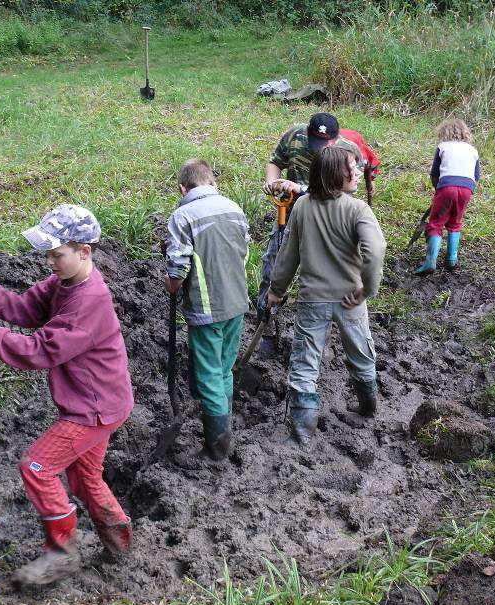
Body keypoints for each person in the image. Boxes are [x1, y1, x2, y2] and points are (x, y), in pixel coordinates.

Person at [0, 204, 133, 587]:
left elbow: (41, 350)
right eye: (48, 254)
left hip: (93, 408)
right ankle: (120, 544)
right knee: (85, 477)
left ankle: (62, 554)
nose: (50, 261)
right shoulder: (63, 283)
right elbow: (27, 307)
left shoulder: (89, 301)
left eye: (57, 254)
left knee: (37, 467)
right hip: (101, 401)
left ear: (84, 251)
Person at [267, 146, 387, 443]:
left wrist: (276, 290)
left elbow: (288, 255)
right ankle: (368, 407)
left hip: (312, 299)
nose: (358, 172)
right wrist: (366, 290)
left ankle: (302, 431)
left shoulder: (303, 206)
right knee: (360, 353)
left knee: (305, 363)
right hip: (350, 299)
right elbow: (376, 251)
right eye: (352, 167)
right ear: (336, 175)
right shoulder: (358, 209)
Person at [256, 112, 380, 356]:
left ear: (335, 138)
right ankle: (267, 328)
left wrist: (301, 189)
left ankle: (327, 332)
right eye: (316, 142)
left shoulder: (349, 154)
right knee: (273, 268)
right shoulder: (294, 136)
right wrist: (272, 183)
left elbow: (343, 194)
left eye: (326, 143)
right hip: (290, 216)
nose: (321, 147)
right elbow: (275, 160)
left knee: (326, 277)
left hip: (328, 223)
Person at [164, 159, 250, 460]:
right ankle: (222, 433)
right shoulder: (235, 209)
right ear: (211, 181)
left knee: (209, 375)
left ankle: (217, 448)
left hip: (207, 307)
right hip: (237, 301)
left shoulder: (182, 216)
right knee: (224, 369)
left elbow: (177, 265)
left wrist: (172, 283)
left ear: (182, 187)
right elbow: (244, 250)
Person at [416, 118, 480, 274]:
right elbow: (476, 176)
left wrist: (439, 190)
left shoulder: (442, 147)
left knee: (436, 223)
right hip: (467, 188)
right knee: (455, 221)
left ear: (444, 132)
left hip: (446, 186)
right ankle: (451, 260)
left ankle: (430, 262)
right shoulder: (473, 150)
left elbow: (435, 174)